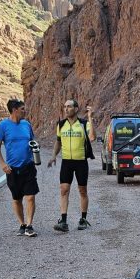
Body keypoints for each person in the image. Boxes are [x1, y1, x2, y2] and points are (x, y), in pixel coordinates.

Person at [48, 99, 96, 232]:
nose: (66, 109)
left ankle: (83, 219)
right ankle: (63, 221)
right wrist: (53, 156)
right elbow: (58, 142)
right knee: (64, 190)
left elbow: (92, 137)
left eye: (69, 106)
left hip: (81, 162)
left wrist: (90, 118)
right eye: (65, 107)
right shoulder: (61, 124)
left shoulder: (83, 123)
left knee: (82, 191)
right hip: (66, 162)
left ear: (76, 109)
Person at [0, 98, 39, 237]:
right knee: (17, 199)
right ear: (14, 110)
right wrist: (2, 164)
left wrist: (35, 147)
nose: (25, 111)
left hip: (28, 166)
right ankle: (22, 224)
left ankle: (30, 225)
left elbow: (32, 140)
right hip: (12, 169)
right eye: (23, 109)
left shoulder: (27, 124)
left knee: (30, 197)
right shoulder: (3, 126)